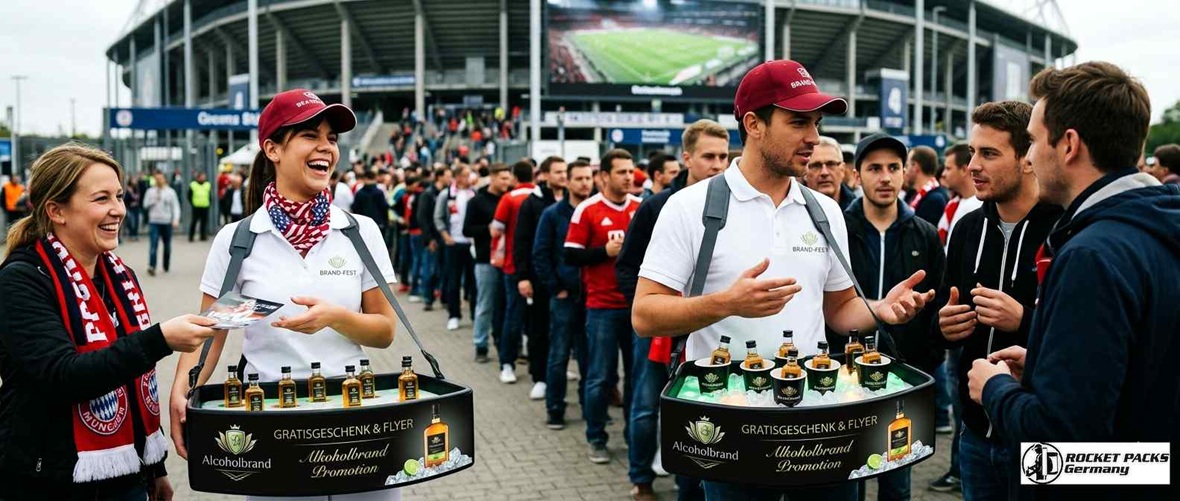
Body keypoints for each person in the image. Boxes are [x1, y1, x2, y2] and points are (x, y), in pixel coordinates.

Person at [633, 60, 935, 500]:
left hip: (819, 421)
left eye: (816, 122)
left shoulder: (824, 210)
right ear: (754, 124)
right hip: (729, 428)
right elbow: (644, 315)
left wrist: (878, 309)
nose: (813, 136)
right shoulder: (688, 206)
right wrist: (726, 303)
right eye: (798, 122)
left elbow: (838, 310)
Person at [167, 89, 401, 501]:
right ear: (272, 149)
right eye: (311, 135)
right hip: (272, 430)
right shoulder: (238, 240)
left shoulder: (359, 231)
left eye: (331, 138)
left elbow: (384, 331)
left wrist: (334, 317)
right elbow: (212, 332)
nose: (326, 147)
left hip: (358, 426)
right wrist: (181, 392)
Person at [970, 61, 1180, 501]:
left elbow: (1066, 448)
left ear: (1068, 145)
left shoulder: (1092, 254)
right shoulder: (1155, 229)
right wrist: (1048, 364)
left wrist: (995, 390)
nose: (1028, 157)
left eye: (1031, 140)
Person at [0, 144, 218, 499]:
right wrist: (159, 339)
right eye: (101, 199)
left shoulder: (118, 276)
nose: (118, 210)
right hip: (49, 481)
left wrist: (154, 468)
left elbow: (131, 386)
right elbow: (64, 375)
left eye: (118, 196)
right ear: (56, 210)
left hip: (126, 477)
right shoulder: (22, 279)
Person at [932, 100, 1062, 501]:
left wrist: (1023, 320)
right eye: (972, 152)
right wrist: (943, 326)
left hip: (1038, 438)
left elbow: (1083, 342)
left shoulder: (1063, 228)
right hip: (974, 434)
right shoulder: (968, 227)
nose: (973, 165)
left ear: (1027, 159)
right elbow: (945, 323)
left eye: (989, 153)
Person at [616, 119, 731, 501]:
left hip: (712, 330)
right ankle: (641, 479)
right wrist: (657, 308)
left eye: (723, 156)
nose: (718, 165)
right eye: (708, 156)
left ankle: (692, 480)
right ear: (687, 158)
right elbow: (628, 267)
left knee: (699, 413)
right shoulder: (657, 206)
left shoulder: (734, 204)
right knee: (647, 408)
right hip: (662, 329)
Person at [845, 133, 946, 501]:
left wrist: (926, 359)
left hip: (901, 380)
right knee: (847, 478)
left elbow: (936, 303)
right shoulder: (837, 229)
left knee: (897, 483)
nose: (885, 177)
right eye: (874, 168)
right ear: (856, 175)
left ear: (905, 173)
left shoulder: (925, 234)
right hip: (845, 378)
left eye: (893, 168)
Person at [564, 148, 642, 466]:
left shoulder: (641, 207)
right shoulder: (588, 210)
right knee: (599, 377)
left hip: (637, 306)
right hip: (601, 307)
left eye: (631, 171)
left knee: (636, 377)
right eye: (621, 172)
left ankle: (633, 437)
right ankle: (596, 436)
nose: (628, 177)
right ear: (605, 176)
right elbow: (570, 254)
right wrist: (603, 251)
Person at [535, 160, 594, 430]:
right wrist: (555, 287)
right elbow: (541, 254)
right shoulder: (552, 214)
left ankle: (590, 407)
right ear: (568, 182)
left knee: (589, 356)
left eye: (588, 178)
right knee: (558, 355)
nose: (585, 183)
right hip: (564, 296)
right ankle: (555, 408)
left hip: (592, 297)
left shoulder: (594, 210)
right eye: (579, 178)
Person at [513, 156, 567, 399]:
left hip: (566, 279)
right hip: (539, 278)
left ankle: (558, 369)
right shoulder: (531, 204)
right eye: (557, 172)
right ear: (544, 175)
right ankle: (540, 376)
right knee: (539, 328)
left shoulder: (571, 201)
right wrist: (523, 277)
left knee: (564, 330)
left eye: (565, 171)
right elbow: (521, 242)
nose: (562, 176)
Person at [491, 160, 537, 384]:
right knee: (539, 318)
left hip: (513, 265)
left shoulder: (509, 198)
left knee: (513, 315)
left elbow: (496, 229)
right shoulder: (540, 197)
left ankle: (507, 364)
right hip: (537, 266)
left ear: (515, 177)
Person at [464, 163, 513, 363]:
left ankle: (506, 343)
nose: (506, 182)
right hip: (486, 259)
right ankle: (481, 345)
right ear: (492, 178)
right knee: (485, 304)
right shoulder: (477, 201)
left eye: (508, 178)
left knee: (507, 305)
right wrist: (488, 228)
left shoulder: (509, 198)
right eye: (502, 178)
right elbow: (467, 229)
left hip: (508, 260)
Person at [434, 164, 478, 331]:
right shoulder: (446, 195)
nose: (469, 179)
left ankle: (475, 314)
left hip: (471, 243)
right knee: (453, 281)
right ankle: (454, 314)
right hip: (454, 243)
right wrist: (445, 236)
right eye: (466, 175)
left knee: (473, 282)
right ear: (458, 177)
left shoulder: (474, 194)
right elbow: (438, 217)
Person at [416, 166, 452, 312]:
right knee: (430, 270)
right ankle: (428, 298)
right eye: (448, 176)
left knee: (445, 270)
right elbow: (422, 218)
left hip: (445, 237)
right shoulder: (428, 194)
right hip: (433, 238)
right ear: (439, 177)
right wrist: (429, 238)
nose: (450, 179)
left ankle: (444, 297)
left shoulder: (448, 194)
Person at [936, 142, 983, 249]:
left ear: (963, 170)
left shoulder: (979, 206)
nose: (943, 174)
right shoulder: (954, 204)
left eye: (948, 168)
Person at [803, 137, 857, 210]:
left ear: (842, 170)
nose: (824, 172)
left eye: (831, 164)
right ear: (805, 172)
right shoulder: (792, 211)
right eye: (816, 166)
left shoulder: (859, 212)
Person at [144, 170, 180, 276]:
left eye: (160, 178)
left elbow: (175, 207)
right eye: (157, 179)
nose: (159, 180)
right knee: (153, 244)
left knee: (167, 245)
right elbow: (145, 204)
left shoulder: (170, 192)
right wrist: (153, 200)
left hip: (166, 221)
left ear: (164, 179)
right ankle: (152, 266)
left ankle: (166, 265)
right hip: (154, 221)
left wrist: (175, 219)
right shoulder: (150, 191)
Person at [904, 145, 950, 226]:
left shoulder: (935, 200)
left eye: (907, 165)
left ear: (915, 167)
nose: (905, 171)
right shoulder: (912, 194)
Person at [351, 169, 391, 237]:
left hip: (363, 225)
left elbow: (355, 208)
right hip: (378, 224)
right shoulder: (379, 192)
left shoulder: (360, 193)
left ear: (365, 178)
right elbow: (384, 208)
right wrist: (386, 222)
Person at [188, 171, 212, 241]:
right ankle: (191, 236)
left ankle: (203, 236)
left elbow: (209, 195)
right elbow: (189, 196)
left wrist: (209, 202)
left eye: (204, 177)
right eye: (202, 177)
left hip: (205, 206)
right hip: (196, 207)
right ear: (198, 178)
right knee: (194, 222)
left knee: (203, 223)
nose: (203, 178)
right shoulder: (193, 185)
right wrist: (193, 203)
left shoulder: (207, 184)